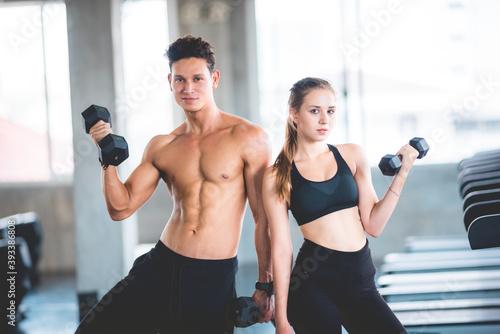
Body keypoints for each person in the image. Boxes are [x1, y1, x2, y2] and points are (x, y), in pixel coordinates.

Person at [75, 35, 274, 334]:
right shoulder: (163, 146)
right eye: (180, 80)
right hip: (161, 265)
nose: (188, 88)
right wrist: (107, 155)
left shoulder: (248, 138)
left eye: (197, 78)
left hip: (212, 275)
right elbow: (120, 208)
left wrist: (265, 284)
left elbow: (263, 219)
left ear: (214, 79)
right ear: (170, 82)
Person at [262, 77, 414, 334]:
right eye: (314, 111)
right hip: (313, 285)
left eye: (330, 111)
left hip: (361, 282)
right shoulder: (278, 175)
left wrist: (402, 174)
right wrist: (282, 318)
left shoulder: (352, 155)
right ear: (294, 115)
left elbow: (374, 225)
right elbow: (281, 248)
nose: (325, 120)